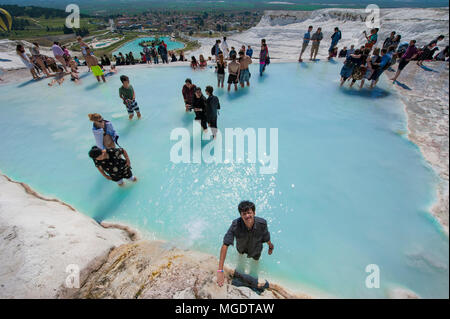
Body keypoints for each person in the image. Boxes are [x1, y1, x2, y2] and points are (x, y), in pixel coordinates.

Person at [217, 201, 274, 287]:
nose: (247, 216)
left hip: (256, 249)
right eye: (244, 214)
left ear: (254, 213)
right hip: (241, 248)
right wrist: (220, 271)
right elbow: (225, 244)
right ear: (241, 215)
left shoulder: (262, 223)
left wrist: (270, 246)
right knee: (240, 261)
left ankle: (252, 274)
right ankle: (241, 272)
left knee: (255, 262)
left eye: (249, 213)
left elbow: (266, 237)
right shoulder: (235, 225)